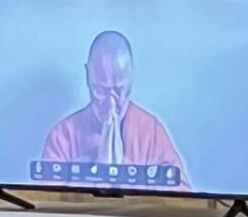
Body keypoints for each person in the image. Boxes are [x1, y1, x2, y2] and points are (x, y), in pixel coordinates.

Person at [40, 30, 189, 186]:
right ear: (87, 77)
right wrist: (98, 171)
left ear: (131, 79)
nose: (111, 103)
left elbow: (183, 196)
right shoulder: (63, 136)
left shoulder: (151, 132)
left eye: (119, 91)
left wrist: (122, 171)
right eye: (100, 91)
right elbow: (46, 201)